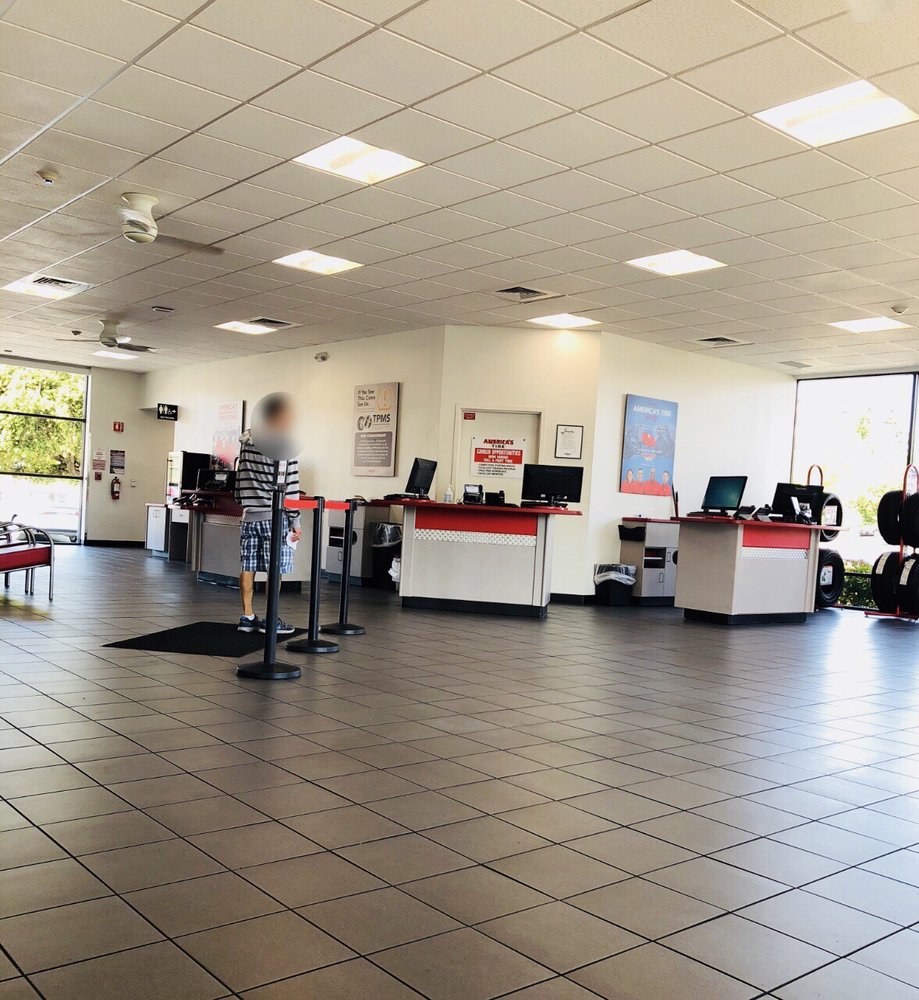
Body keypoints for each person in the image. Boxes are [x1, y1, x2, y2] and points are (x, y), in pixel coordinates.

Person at [235, 395, 301, 634]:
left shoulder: (247, 441)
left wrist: (243, 501)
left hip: (249, 516)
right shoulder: (285, 445)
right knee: (275, 568)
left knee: (248, 565)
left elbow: (240, 475)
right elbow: (290, 485)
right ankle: (272, 619)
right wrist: (295, 519)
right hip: (274, 516)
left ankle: (247, 616)